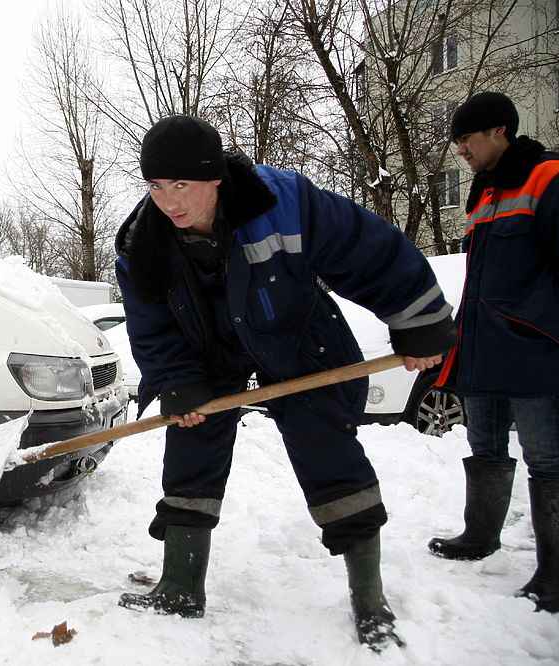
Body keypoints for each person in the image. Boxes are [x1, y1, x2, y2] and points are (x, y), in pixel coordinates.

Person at [114, 115, 455, 651]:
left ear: (215, 178)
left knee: (326, 447)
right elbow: (150, 323)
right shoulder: (143, 243)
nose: (169, 202)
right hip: (206, 349)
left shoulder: (281, 202)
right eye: (156, 187)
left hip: (293, 332)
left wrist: (419, 322)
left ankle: (370, 596)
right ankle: (181, 586)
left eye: (181, 185)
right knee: (191, 443)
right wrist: (177, 382)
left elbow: (369, 252)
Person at [428, 92, 559, 613]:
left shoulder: (547, 178)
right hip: (481, 343)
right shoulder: (482, 194)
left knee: (546, 456)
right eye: (457, 140)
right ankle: (479, 536)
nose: (460, 148)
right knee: (484, 443)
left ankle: (554, 571)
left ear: (500, 131)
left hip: (533, 347)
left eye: (467, 137)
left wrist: (531, 322)